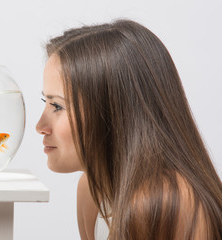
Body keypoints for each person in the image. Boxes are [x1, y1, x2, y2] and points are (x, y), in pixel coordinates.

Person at [36, 19, 222, 240]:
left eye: (57, 105)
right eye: (45, 103)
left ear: (111, 110)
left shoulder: (165, 203)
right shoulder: (91, 192)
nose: (40, 127)